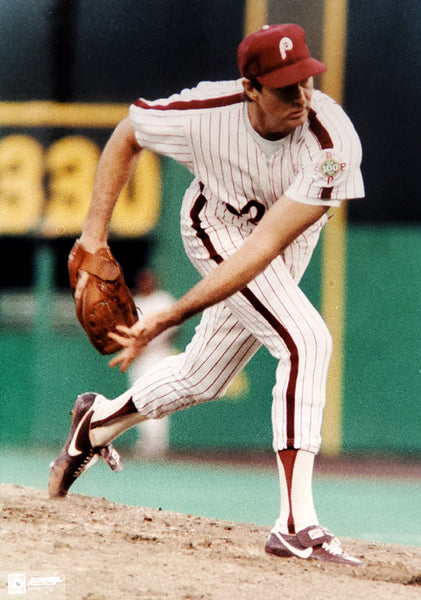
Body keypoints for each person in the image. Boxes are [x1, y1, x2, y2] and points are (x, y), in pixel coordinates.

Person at [49, 23, 365, 565]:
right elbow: (128, 133)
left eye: (306, 82)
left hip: (277, 244)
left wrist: (173, 312)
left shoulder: (333, 144)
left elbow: (266, 246)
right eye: (285, 87)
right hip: (214, 228)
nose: (300, 97)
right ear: (250, 88)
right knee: (306, 341)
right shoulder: (203, 113)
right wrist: (92, 236)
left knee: (202, 377)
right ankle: (296, 523)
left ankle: (95, 422)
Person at [129, 268, 178, 457]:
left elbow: (174, 329)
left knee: (159, 396)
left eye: (148, 280)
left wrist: (152, 342)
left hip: (158, 355)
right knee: (139, 397)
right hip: (139, 358)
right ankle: (146, 441)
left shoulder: (163, 299)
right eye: (142, 280)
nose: (145, 283)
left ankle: (158, 443)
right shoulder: (136, 302)